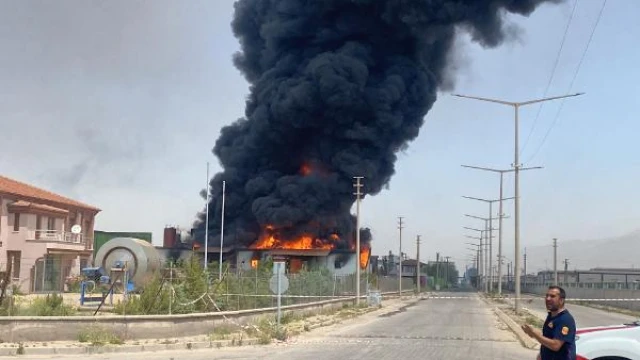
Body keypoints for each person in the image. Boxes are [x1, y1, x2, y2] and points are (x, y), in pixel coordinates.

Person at [522, 285, 576, 360]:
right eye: (547, 296)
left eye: (552, 296)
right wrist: (541, 355)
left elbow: (555, 345)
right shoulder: (551, 316)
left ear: (561, 300)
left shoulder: (565, 319)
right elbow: (547, 338)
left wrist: (535, 334)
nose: (548, 299)